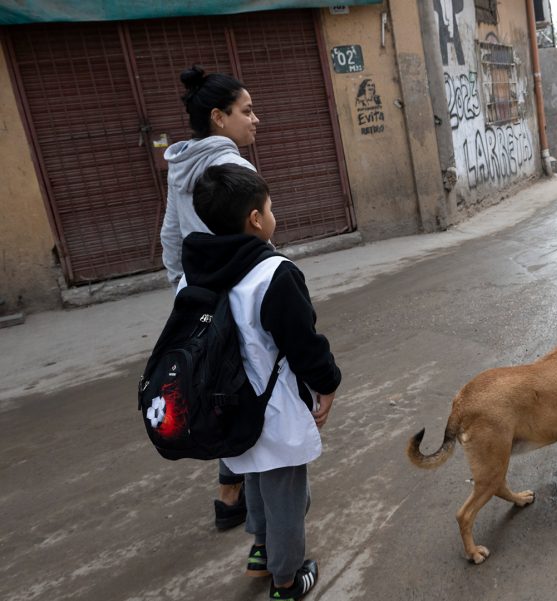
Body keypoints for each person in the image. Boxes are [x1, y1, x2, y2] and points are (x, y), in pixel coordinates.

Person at [185, 164, 341, 600]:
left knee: (251, 475)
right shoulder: (273, 274)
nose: (273, 214)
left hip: (224, 408)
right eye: (270, 207)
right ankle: (287, 579)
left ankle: (260, 549)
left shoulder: (192, 272)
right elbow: (304, 344)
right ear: (255, 218)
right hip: (272, 409)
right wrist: (327, 385)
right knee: (287, 494)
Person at [159, 65, 261, 529]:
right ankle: (257, 515)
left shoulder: (181, 165)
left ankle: (228, 498)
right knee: (248, 395)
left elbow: (171, 235)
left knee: (217, 390)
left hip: (198, 297)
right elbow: (255, 238)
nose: (254, 119)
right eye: (246, 110)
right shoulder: (233, 165)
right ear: (219, 117)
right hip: (239, 298)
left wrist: (186, 288)